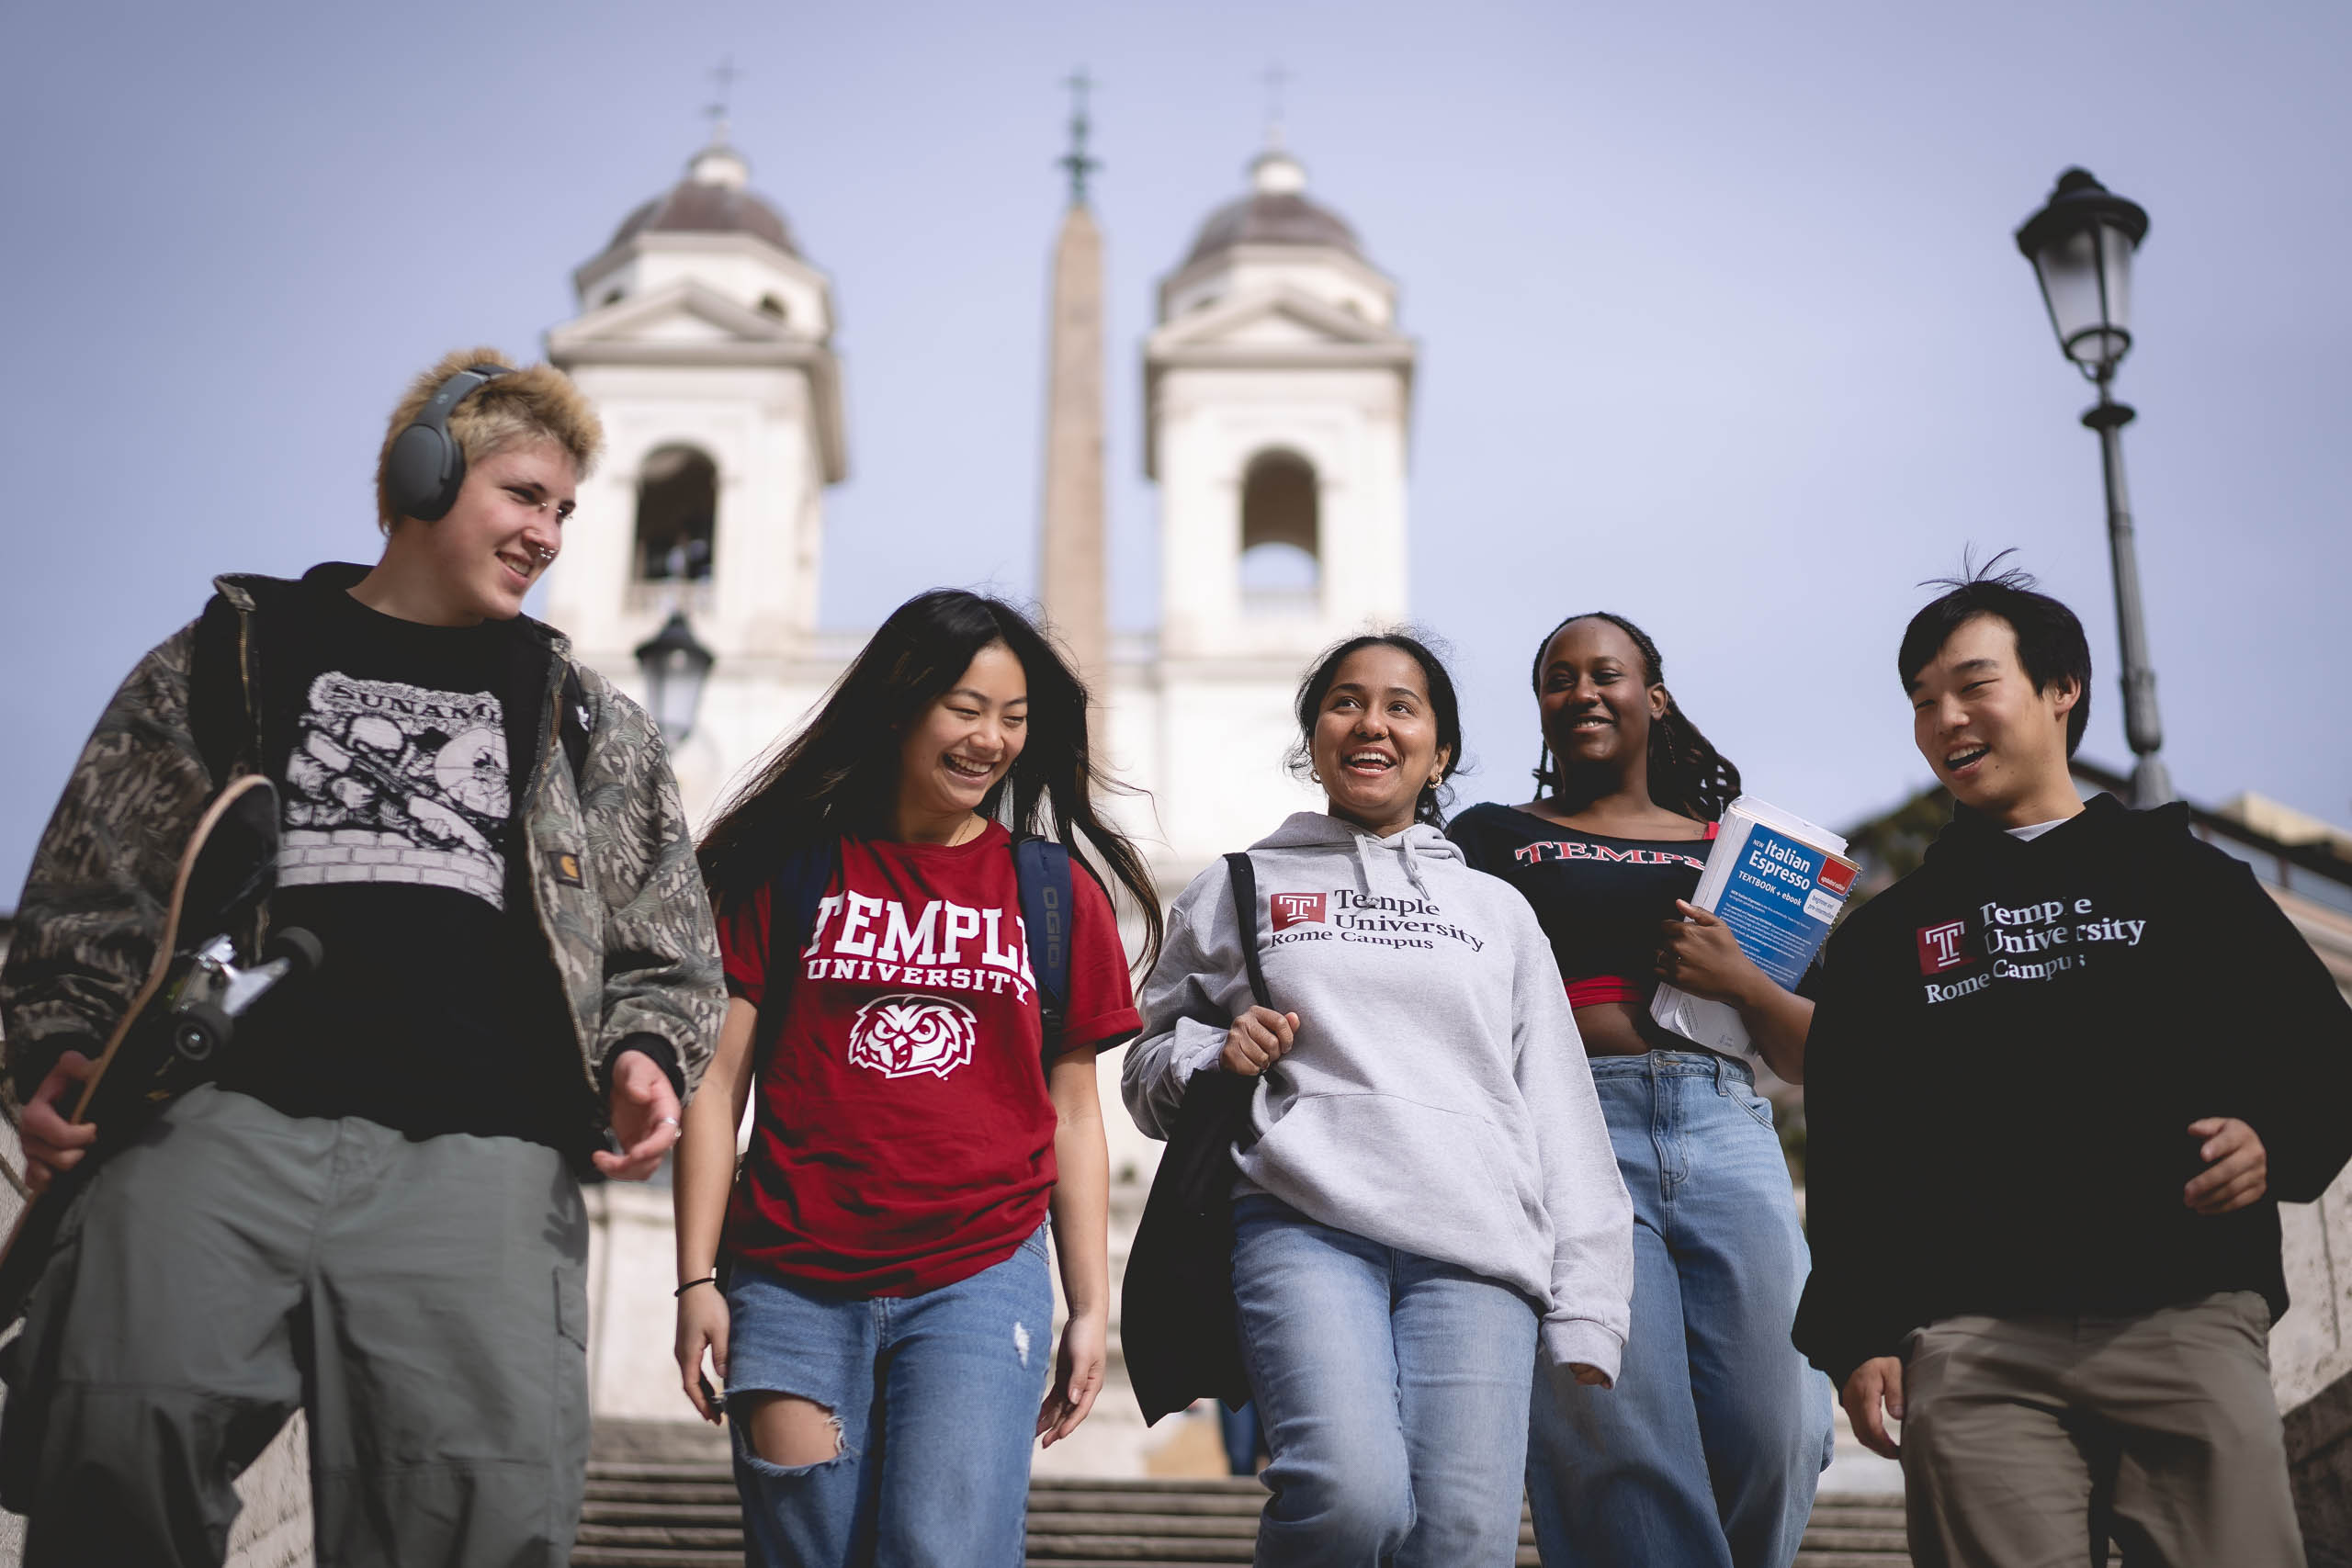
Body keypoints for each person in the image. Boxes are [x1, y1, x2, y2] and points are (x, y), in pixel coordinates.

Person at [0, 347, 724, 1566]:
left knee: (468, 1511)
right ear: (422, 477)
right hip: (214, 1120)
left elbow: (666, 929)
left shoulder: (581, 713)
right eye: (523, 494)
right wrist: (59, 1035)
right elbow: (98, 861)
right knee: (115, 1429)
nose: (549, 532)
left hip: (480, 1150)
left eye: (564, 509)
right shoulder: (236, 651)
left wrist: (648, 1047)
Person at [1793, 564, 2352, 1567]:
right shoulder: (1887, 939)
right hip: (1969, 1344)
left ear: (2062, 689)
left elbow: (2324, 1050)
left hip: (2185, 1314)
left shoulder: (2187, 879)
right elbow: (1851, 1148)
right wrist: (1859, 1333)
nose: (1944, 719)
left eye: (1972, 685)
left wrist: (2275, 1136)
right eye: (1922, 701)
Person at [1124, 631, 1633, 1568]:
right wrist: (1214, 1056)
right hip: (1300, 1224)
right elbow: (1146, 1067)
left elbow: (1556, 1107)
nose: (1372, 723)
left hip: (1478, 1252)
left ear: (1438, 751)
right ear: (1315, 735)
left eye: (1403, 706)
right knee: (1346, 1496)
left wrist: (1589, 1303)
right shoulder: (1238, 886)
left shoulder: (1496, 911)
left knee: (1460, 1542)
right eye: (1346, 701)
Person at [673, 589, 1159, 1568]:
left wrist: (1090, 1306)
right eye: (965, 709)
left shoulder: (1055, 893)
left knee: (943, 1551)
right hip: (789, 1280)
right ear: (899, 708)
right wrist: (694, 1279)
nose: (990, 740)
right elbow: (715, 1087)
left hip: (980, 1273)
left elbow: (1074, 1114)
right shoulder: (785, 870)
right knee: (807, 1551)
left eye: (1013, 720)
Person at [1447, 610, 1834, 1568]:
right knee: (1616, 1432)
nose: (1581, 691)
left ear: (1651, 699)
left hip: (1725, 1125)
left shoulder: (1738, 853)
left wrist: (1741, 978)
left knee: (1780, 1420)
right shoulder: (1489, 837)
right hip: (1567, 1133)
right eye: (1558, 677)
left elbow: (1812, 1055)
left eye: (1605, 673)